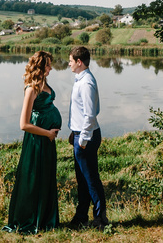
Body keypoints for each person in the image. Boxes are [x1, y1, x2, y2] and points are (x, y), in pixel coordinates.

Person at [3, 50, 61, 233]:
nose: (51, 68)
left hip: (47, 141)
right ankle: (29, 219)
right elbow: (24, 124)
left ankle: (45, 218)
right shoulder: (32, 89)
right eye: (49, 65)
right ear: (41, 67)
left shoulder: (45, 85)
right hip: (37, 142)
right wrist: (47, 133)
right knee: (34, 179)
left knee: (46, 178)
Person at [67, 46, 109, 230]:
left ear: (79, 61)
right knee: (82, 180)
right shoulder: (80, 79)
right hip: (80, 134)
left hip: (87, 137)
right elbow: (79, 111)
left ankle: (100, 219)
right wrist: (73, 132)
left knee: (91, 179)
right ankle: (81, 216)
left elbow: (90, 115)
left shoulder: (86, 83)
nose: (68, 63)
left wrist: (82, 139)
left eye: (70, 60)